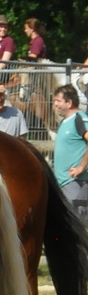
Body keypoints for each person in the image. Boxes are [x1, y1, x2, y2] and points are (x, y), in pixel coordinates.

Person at [52, 85, 88, 223]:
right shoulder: (64, 122)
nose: (55, 104)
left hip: (76, 182)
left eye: (58, 100)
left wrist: (81, 167)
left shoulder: (79, 119)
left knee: (75, 223)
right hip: (63, 183)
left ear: (69, 103)